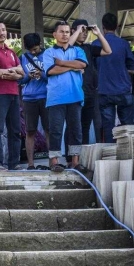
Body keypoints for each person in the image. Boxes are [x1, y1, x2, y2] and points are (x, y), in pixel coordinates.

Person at [42, 21, 87, 172]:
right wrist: (71, 66)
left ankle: (75, 161)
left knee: (76, 130)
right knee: (56, 130)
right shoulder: (48, 52)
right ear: (54, 35)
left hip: (75, 96)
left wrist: (61, 63)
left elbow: (82, 65)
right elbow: (51, 70)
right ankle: (55, 161)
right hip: (56, 98)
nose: (65, 34)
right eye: (61, 31)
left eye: (67, 32)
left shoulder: (78, 50)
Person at [0, 21, 24, 172]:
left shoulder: (12, 52)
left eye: (4, 29)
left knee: (15, 130)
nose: (2, 33)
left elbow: (22, 73)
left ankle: (15, 163)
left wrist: (8, 72)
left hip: (14, 94)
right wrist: (13, 73)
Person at [93, 13, 134, 143]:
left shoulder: (95, 44)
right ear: (117, 26)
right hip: (123, 89)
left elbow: (94, 66)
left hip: (104, 90)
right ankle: (128, 152)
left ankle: (110, 155)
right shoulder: (123, 44)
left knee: (108, 126)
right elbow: (132, 65)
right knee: (127, 126)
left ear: (102, 26)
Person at [71, 19, 111, 148]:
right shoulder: (69, 47)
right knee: (74, 126)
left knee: (86, 126)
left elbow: (108, 51)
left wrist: (99, 34)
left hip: (89, 91)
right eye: (82, 30)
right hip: (74, 92)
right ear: (74, 31)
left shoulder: (88, 47)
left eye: (86, 31)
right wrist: (77, 31)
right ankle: (71, 157)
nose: (84, 33)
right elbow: (67, 47)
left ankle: (83, 157)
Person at [20, 33, 48, 170]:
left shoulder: (48, 56)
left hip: (46, 96)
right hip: (29, 98)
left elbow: (53, 76)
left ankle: (52, 162)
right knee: (30, 131)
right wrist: (28, 76)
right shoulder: (22, 58)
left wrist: (41, 74)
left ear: (40, 45)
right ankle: (30, 164)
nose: (33, 52)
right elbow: (19, 80)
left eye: (35, 49)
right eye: (30, 50)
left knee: (49, 130)